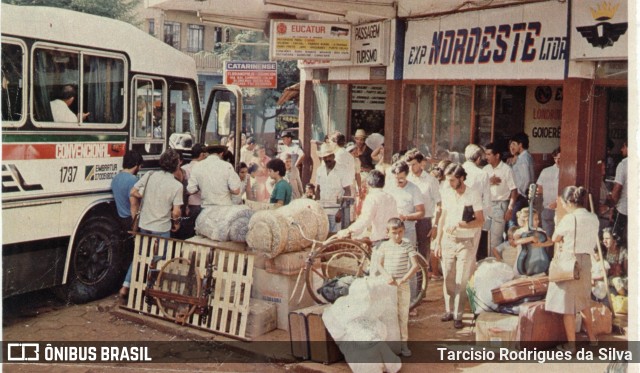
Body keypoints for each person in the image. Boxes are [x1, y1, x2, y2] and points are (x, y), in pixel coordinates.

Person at [120, 149, 183, 300]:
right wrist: (176, 222)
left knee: (139, 256)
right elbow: (175, 212)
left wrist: (146, 197)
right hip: (161, 228)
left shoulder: (150, 176)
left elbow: (133, 191)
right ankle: (151, 290)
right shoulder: (176, 186)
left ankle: (125, 287)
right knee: (159, 259)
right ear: (176, 165)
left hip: (144, 224)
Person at [545, 186, 598, 351]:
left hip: (570, 262)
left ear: (568, 202)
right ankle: (593, 338)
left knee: (568, 307)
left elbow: (555, 238)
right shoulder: (593, 217)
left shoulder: (568, 219)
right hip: (586, 261)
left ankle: (571, 345)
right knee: (584, 303)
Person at [434, 163, 484, 329]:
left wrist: (461, 225)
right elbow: (442, 217)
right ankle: (449, 310)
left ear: (461, 178)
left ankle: (458, 314)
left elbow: (480, 220)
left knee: (461, 279)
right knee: (448, 277)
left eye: (453, 180)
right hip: (448, 241)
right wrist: (438, 241)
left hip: (465, 242)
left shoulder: (473, 194)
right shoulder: (447, 192)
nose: (449, 183)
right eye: (448, 180)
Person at [376, 218, 419, 357]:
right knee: (388, 314)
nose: (397, 236)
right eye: (394, 232)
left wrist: (403, 279)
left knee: (403, 314)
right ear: (387, 233)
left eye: (400, 232)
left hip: (402, 285)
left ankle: (404, 343)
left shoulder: (407, 246)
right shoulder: (384, 246)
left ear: (404, 231)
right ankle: (390, 344)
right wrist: (387, 276)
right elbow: (379, 264)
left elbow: (415, 265)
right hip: (388, 285)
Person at [336, 170, 398, 245]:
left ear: (368, 184)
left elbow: (365, 220)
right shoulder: (391, 197)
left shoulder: (372, 198)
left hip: (379, 241)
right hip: (393, 239)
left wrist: (349, 230)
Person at [404, 149, 441, 265]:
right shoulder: (406, 179)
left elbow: (439, 204)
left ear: (421, 164)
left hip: (424, 221)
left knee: (423, 255)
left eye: (414, 164)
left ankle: (422, 282)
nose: (411, 168)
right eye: (409, 165)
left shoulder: (431, 181)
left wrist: (436, 225)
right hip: (408, 219)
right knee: (408, 254)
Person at [483, 142, 518, 251]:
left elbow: (514, 190)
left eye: (489, 154)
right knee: (485, 236)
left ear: (497, 155)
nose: (486, 157)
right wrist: (489, 181)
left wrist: (510, 209)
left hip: (500, 205)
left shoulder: (506, 169)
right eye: (486, 154)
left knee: (495, 239)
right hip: (487, 205)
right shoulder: (485, 169)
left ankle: (494, 263)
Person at [385, 161, 425, 247]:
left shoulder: (414, 189)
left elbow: (421, 212)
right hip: (390, 232)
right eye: (396, 178)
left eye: (401, 178)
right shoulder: (388, 188)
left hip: (407, 232)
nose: (398, 180)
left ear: (407, 175)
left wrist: (406, 217)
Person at [316, 142, 351, 233]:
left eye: (329, 156)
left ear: (333, 156)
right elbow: (318, 190)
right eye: (324, 157)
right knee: (322, 236)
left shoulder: (342, 170)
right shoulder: (320, 170)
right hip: (322, 211)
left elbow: (348, 191)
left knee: (334, 237)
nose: (327, 159)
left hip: (336, 211)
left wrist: (340, 209)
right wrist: (316, 207)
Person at [111, 150, 144, 234]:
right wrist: (135, 227)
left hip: (121, 218)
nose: (140, 169)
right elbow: (134, 205)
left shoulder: (116, 178)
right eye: (140, 166)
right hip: (131, 219)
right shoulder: (133, 180)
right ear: (136, 165)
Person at [508, 132, 535, 227]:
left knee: (513, 224)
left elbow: (526, 179)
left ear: (520, 145)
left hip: (520, 196)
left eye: (514, 144)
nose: (511, 147)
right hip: (523, 196)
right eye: (510, 145)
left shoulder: (523, 158)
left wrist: (518, 193)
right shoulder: (525, 157)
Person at [180, 144, 207, 237]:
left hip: (184, 204)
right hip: (200, 204)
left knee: (187, 232)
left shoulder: (183, 168)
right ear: (202, 155)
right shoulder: (204, 168)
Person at [536, 147, 560, 238]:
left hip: (560, 210)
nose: (557, 161)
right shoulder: (546, 171)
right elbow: (539, 189)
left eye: (560, 158)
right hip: (547, 209)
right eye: (555, 158)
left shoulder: (567, 171)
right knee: (547, 238)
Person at [610, 141, 627, 245]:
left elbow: (617, 188)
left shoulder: (623, 164)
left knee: (616, 242)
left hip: (623, 211)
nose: (621, 150)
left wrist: (611, 207)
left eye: (623, 147)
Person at [602, 227, 627, 295]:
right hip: (608, 280)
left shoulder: (623, 252)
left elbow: (627, 272)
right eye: (603, 238)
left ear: (614, 240)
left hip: (621, 280)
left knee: (617, 281)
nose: (604, 241)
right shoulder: (603, 252)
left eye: (607, 238)